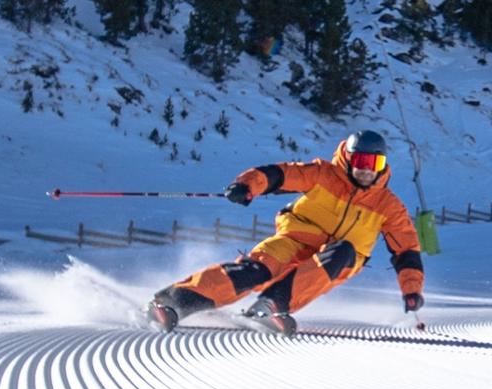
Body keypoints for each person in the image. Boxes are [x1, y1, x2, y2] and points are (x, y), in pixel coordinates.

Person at [148, 129, 425, 334]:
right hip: (294, 240)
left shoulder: (389, 206)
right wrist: (248, 185)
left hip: (336, 261)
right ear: (348, 159)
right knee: (256, 270)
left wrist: (411, 290)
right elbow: (281, 174)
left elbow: (407, 251)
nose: (367, 171)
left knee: (344, 250)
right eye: (361, 163)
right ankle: (173, 301)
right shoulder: (323, 174)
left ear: (383, 166)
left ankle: (270, 306)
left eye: (374, 164)